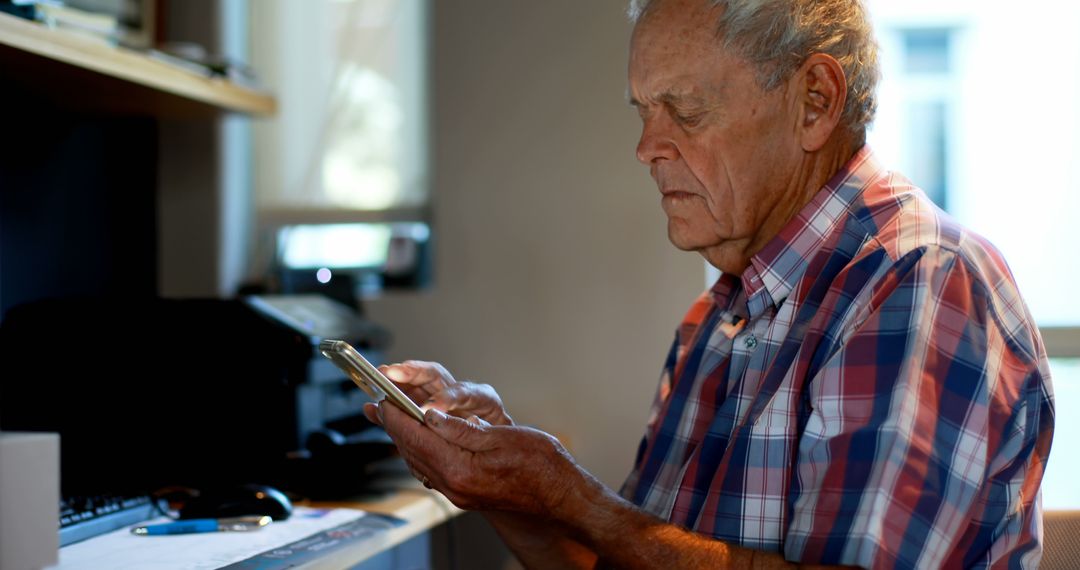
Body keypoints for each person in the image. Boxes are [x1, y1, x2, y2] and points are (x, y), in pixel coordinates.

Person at [363, 0, 1055, 567]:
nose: (645, 149)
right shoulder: (717, 318)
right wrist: (512, 485)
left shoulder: (917, 284)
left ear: (815, 100)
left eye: (684, 111)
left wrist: (570, 495)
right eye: (642, 111)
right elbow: (627, 559)